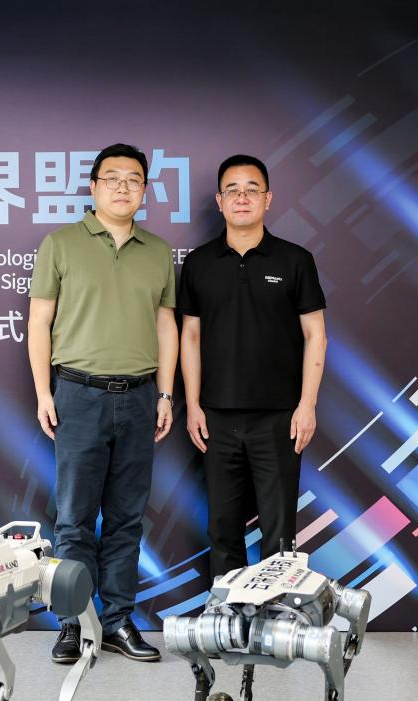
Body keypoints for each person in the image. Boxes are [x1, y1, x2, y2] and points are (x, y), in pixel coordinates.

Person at [27, 143, 178, 663]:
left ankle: (116, 621)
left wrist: (166, 393)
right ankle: (72, 622)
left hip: (138, 397)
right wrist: (44, 392)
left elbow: (165, 325)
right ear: (92, 187)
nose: (122, 187)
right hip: (78, 394)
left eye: (133, 179)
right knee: (73, 518)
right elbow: (39, 322)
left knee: (126, 518)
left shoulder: (157, 251)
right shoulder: (61, 244)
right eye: (111, 178)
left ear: (145, 190)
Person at [178, 154, 327, 581]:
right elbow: (190, 336)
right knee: (223, 530)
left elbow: (316, 335)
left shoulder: (295, 260)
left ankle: (276, 612)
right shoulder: (199, 263)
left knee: (279, 533)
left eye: (251, 190)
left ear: (268, 198)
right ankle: (229, 613)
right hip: (216, 417)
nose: (242, 198)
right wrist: (194, 405)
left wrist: (307, 405)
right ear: (219, 201)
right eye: (233, 190)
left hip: (280, 418)